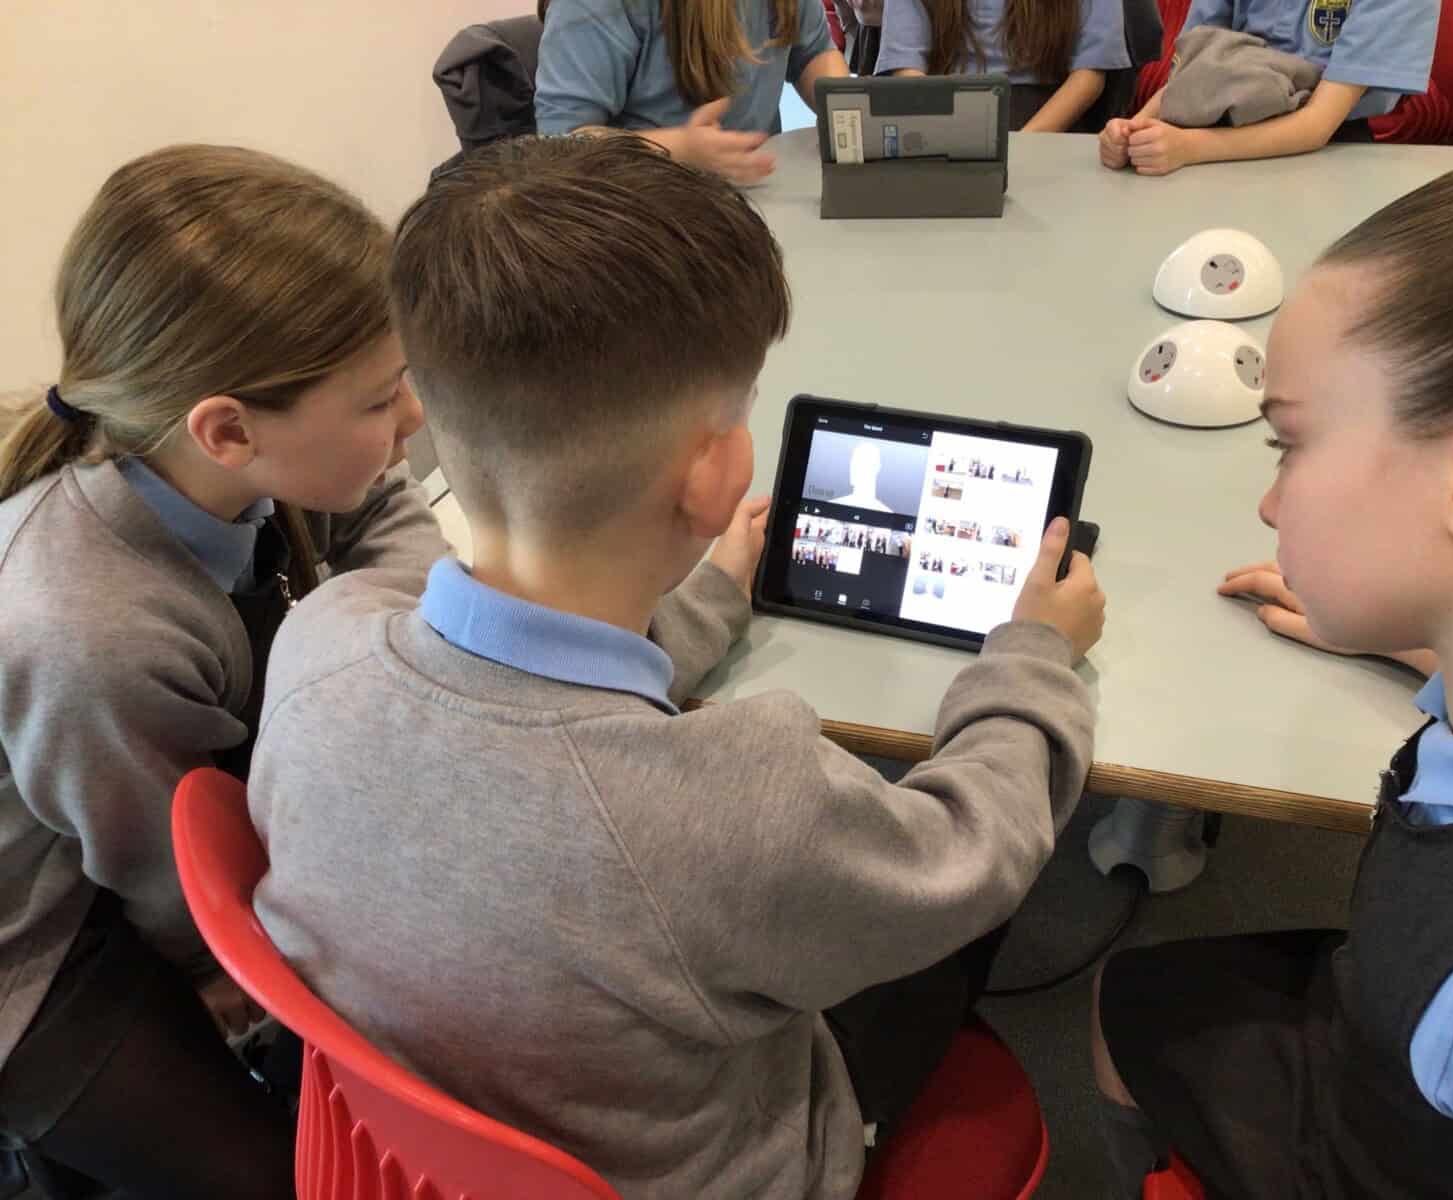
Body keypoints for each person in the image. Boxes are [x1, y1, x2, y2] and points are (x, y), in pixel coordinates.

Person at [248, 134, 1105, 1200]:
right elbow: (973, 854)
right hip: (713, 1167)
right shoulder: (747, 803)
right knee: (951, 925)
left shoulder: (318, 640)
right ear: (717, 475)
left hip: (401, 1149)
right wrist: (1034, 652)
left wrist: (710, 596)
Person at [1092, 144, 1453, 1200]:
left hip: (1387, 1133)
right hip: (1400, 1018)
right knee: (1140, 994)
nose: (1270, 503)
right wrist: (1425, 633)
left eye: (1289, 445)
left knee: (1122, 1006)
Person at [0, 145, 446, 1199]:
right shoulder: (90, 633)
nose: (414, 420)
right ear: (230, 430)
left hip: (140, 831)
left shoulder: (217, 460)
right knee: (291, 1180)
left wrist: (364, 609)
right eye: (380, 400)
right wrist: (230, 985)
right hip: (45, 955)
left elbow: (383, 507)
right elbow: (183, 887)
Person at [1101, 0, 1440, 175]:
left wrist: (1186, 148)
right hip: (1210, 125)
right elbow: (1192, 72)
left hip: (1329, 147)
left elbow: (1317, 125)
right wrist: (1136, 129)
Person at [535, 0, 849, 184]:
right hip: (642, 209)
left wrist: (847, 109)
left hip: (753, 193)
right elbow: (560, 143)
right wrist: (681, 149)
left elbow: (813, 53)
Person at [877, 0, 1132, 132]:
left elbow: (1089, 76)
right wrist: (944, 137)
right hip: (941, 108)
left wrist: (1025, 145)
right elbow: (907, 68)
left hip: (1053, 113)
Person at [837, 441, 893, 512]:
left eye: (862, 463)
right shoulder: (833, 506)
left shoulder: (886, 513)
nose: (854, 468)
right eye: (853, 463)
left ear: (877, 468)